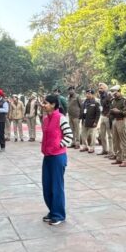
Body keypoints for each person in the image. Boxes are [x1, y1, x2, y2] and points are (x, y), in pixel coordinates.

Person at [40, 94, 74, 226]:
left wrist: (58, 145)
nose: (43, 105)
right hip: (47, 156)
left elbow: (69, 136)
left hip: (58, 157)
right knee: (47, 186)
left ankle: (59, 215)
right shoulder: (45, 119)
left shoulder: (61, 118)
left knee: (56, 186)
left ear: (53, 104)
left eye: (46, 103)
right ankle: (52, 211)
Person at [109, 85, 126, 167]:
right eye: (113, 93)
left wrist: (118, 111)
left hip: (121, 120)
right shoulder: (113, 100)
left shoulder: (124, 100)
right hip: (114, 120)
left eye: (115, 92)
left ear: (119, 91)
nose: (114, 94)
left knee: (123, 141)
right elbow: (111, 110)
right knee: (116, 141)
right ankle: (119, 158)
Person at [80, 89, 101, 153]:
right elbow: (82, 110)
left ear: (93, 94)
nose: (87, 95)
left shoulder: (96, 102)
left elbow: (98, 113)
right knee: (83, 134)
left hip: (92, 121)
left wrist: (96, 122)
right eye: (87, 94)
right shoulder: (84, 102)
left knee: (92, 136)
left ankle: (92, 147)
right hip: (84, 121)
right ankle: (85, 146)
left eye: (89, 94)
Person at [98, 83, 113, 156]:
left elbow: (111, 106)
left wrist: (108, 115)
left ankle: (111, 151)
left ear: (105, 88)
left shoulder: (109, 96)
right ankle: (104, 150)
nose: (99, 89)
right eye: (99, 88)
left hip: (107, 117)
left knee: (110, 135)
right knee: (102, 134)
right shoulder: (101, 96)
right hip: (103, 116)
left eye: (101, 88)